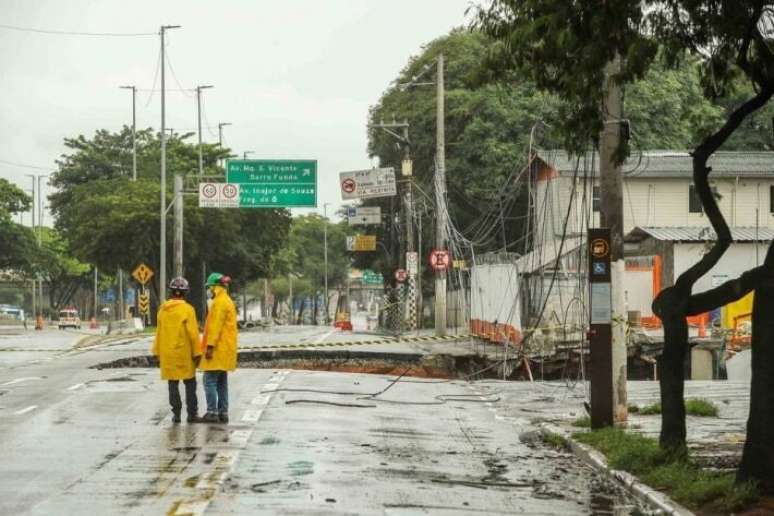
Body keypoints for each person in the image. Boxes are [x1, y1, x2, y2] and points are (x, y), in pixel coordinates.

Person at [152, 277, 202, 423]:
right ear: (185, 293)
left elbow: (159, 332)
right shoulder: (188, 310)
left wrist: (156, 352)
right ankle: (192, 414)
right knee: (190, 383)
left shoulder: (163, 310)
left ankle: (177, 414)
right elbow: (193, 334)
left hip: (168, 354)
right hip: (184, 353)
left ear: (171, 292)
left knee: (172, 384)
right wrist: (197, 353)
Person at [199, 272, 238, 423]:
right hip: (226, 350)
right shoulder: (227, 300)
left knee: (209, 380)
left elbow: (215, 327)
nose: (208, 290)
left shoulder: (219, 303)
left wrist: (210, 346)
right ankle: (223, 412)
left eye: (209, 287)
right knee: (221, 382)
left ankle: (212, 412)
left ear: (216, 287)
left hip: (217, 349)